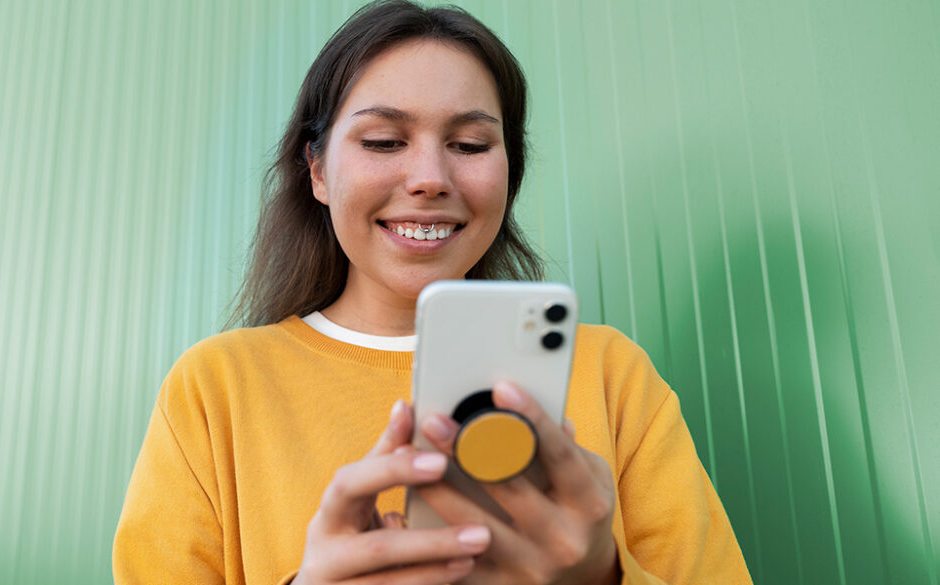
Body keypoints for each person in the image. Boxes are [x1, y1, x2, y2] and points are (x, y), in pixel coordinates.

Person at [113, 1, 753, 584]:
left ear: (510, 171)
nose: (429, 178)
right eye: (384, 141)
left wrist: (602, 577)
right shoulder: (214, 389)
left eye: (470, 144)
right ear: (317, 171)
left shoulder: (613, 376)